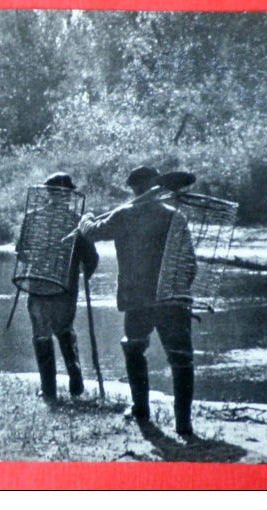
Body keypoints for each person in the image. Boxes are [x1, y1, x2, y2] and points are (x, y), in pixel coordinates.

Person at [78, 166, 198, 436]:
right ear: (156, 187)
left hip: (137, 299)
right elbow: (191, 264)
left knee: (134, 349)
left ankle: (141, 410)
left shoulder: (125, 215)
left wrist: (84, 219)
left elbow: (92, 232)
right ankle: (184, 424)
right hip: (172, 299)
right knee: (181, 359)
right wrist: (181, 291)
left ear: (134, 189)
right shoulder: (175, 217)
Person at [24, 173, 99, 403]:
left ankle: (49, 391)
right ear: (68, 195)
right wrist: (87, 272)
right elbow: (91, 258)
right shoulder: (77, 222)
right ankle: (75, 383)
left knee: (42, 336)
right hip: (66, 289)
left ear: (48, 193)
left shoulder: (33, 218)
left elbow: (22, 251)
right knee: (65, 331)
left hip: (38, 286)